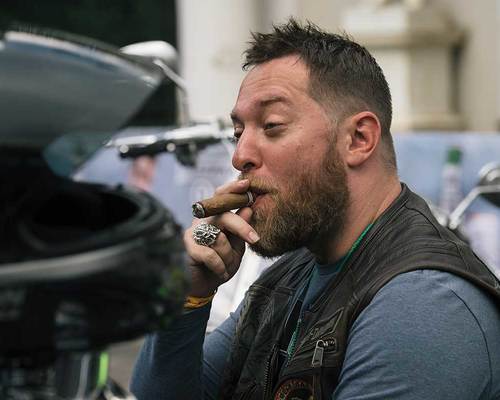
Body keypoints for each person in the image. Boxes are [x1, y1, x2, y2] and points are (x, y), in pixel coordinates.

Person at [130, 19, 500, 399]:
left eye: (271, 125)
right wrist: (188, 297)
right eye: (239, 132)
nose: (240, 156)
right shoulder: (289, 277)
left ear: (358, 139)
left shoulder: (423, 304)